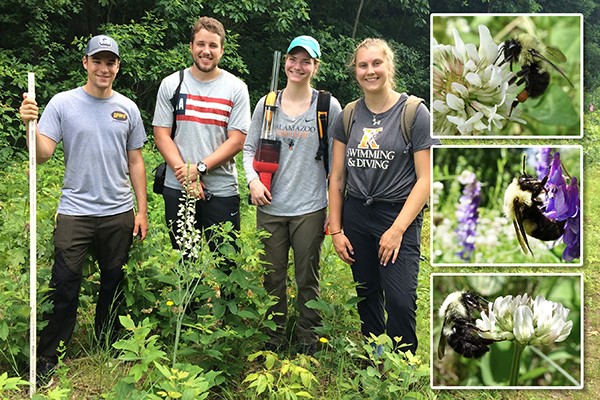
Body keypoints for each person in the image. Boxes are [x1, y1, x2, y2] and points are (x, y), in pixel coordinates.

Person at [19, 34, 148, 381]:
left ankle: (108, 342)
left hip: (118, 211)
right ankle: (49, 356)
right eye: (98, 61)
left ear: (117, 67)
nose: (104, 68)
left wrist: (141, 210)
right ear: (86, 63)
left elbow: (136, 161)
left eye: (110, 62)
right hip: (75, 210)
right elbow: (43, 154)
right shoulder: (63, 104)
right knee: (64, 282)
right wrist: (29, 125)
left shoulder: (128, 109)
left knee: (113, 281)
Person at [328, 38, 439, 355]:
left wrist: (397, 230)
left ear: (389, 66)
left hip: (397, 215)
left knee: (401, 300)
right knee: (367, 293)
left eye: (377, 63)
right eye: (363, 65)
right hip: (356, 216)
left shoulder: (414, 114)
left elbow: (425, 179)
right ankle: (374, 363)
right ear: (355, 71)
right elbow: (337, 177)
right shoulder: (348, 116)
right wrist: (336, 229)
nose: (370, 71)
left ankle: (402, 367)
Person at [243, 36, 341, 354]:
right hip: (270, 205)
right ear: (285, 61)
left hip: (310, 208)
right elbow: (248, 149)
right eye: (293, 59)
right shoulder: (267, 104)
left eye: (306, 61)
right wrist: (253, 182)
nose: (298, 66)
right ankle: (272, 337)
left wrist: (334, 208)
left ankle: (308, 341)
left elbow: (337, 162)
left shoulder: (327, 107)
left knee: (307, 278)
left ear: (316, 66)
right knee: (272, 277)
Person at [153, 16, 250, 260]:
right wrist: (187, 175)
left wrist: (200, 168)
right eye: (201, 44)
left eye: (213, 46)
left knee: (227, 263)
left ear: (222, 50)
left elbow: (237, 140)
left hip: (222, 190)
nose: (206, 51)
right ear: (191, 46)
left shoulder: (236, 88)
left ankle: (226, 300)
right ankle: (190, 302)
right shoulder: (172, 84)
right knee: (185, 262)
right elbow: (161, 135)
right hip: (177, 188)